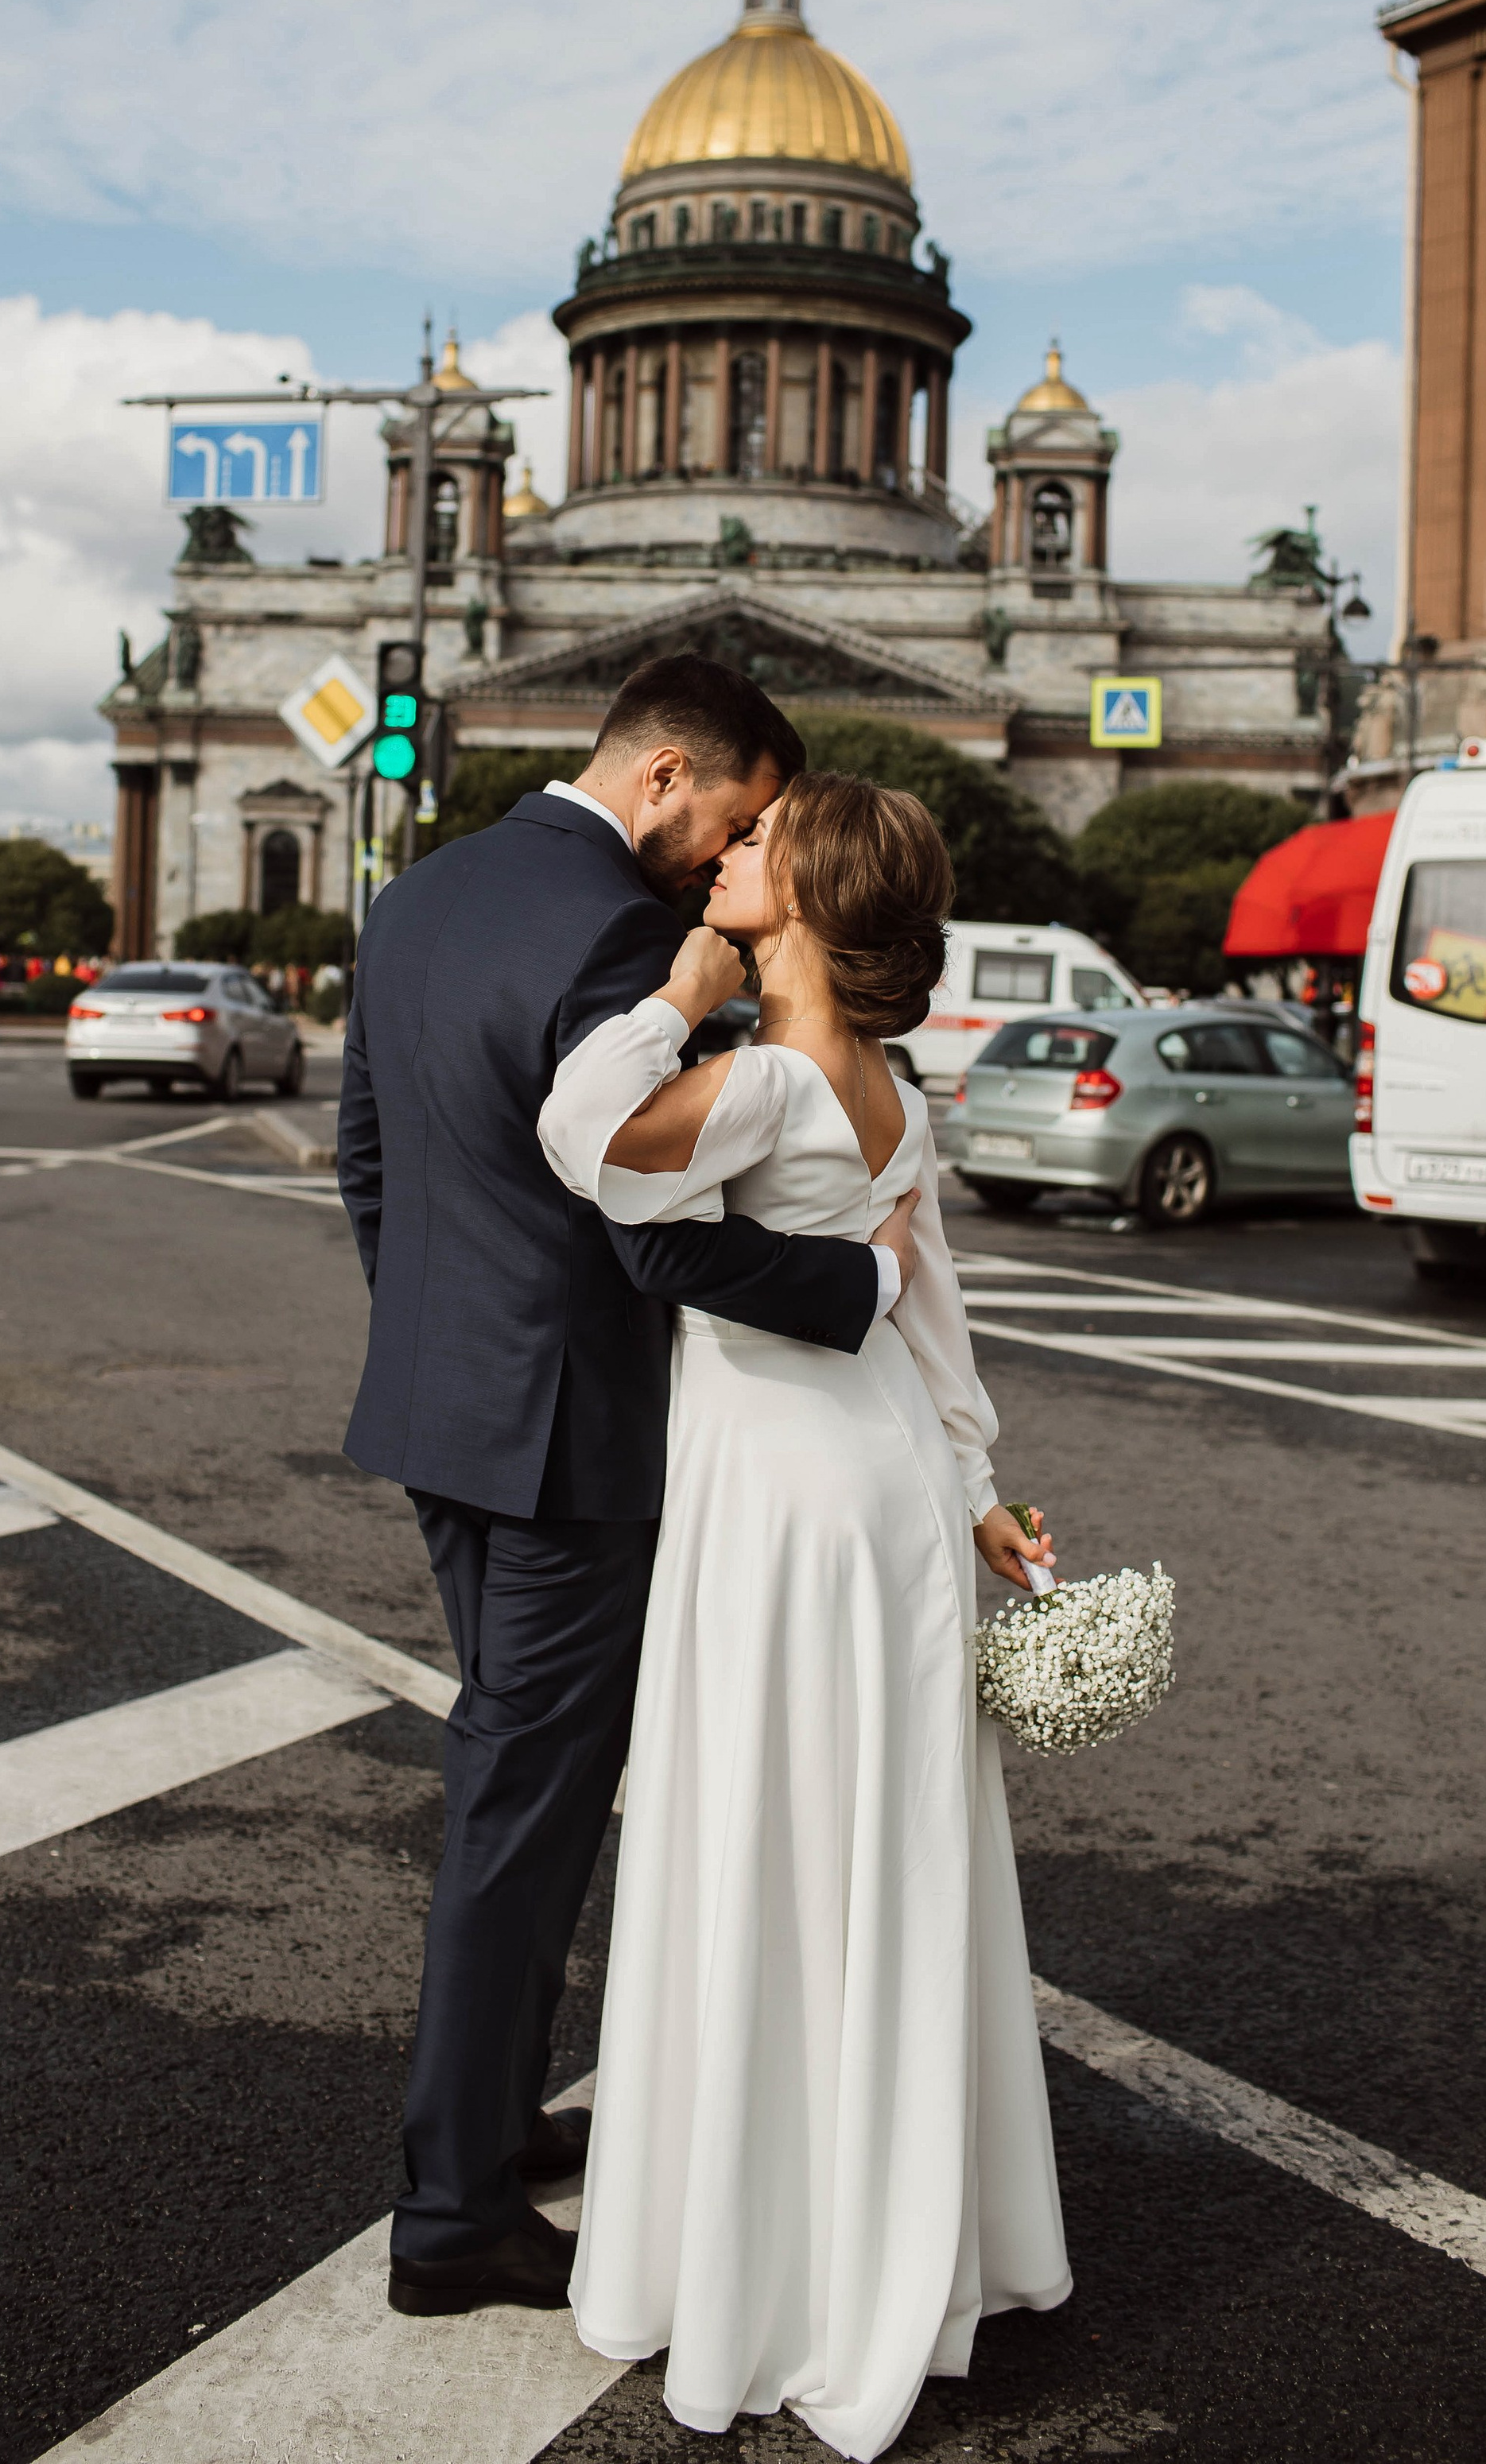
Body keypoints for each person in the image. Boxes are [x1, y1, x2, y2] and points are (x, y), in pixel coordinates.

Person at [337, 658, 921, 2320]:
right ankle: (451, 2214)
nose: (727, 857)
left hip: (444, 1417)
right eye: (736, 817)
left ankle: (494, 2123)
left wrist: (446, 1354)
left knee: (515, 1781)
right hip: (571, 1445)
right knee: (522, 1813)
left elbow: (367, 1162)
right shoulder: (620, 933)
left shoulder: (420, 892)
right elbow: (651, 1235)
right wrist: (861, 1285)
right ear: (667, 774)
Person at [537, 770, 1070, 2459]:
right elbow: (931, 1319)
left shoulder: (763, 1082)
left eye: (759, 842)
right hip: (889, 1489)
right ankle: (888, 2230)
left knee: (764, 1848)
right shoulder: (893, 1094)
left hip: (781, 1500)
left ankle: (779, 2260)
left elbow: (580, 1135)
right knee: (882, 1856)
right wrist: (978, 1490)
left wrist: (670, 996)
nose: (727, 851)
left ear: (815, 896)